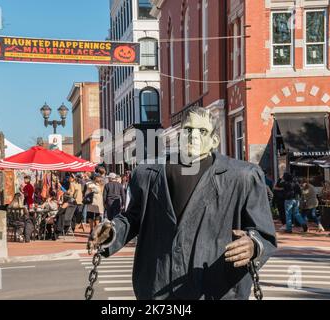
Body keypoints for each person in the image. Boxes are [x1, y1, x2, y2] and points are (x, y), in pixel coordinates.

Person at [88, 106, 276, 300]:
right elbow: (132, 218)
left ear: (214, 140)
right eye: (188, 129)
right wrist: (112, 232)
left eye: (202, 131)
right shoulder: (147, 175)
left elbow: (264, 234)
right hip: (157, 287)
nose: (193, 135)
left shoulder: (243, 177)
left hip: (215, 289)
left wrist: (254, 245)